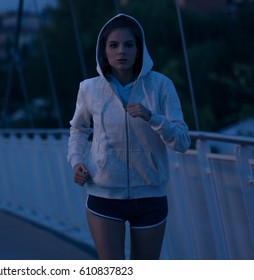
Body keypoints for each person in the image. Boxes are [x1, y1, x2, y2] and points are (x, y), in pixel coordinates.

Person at [67, 13, 191, 260]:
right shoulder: (89, 88)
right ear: (104, 50)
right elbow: (79, 129)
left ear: (139, 49)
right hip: (104, 194)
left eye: (128, 44)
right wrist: (76, 161)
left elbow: (182, 141)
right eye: (113, 45)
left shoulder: (161, 86)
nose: (121, 51)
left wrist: (152, 117)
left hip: (150, 196)